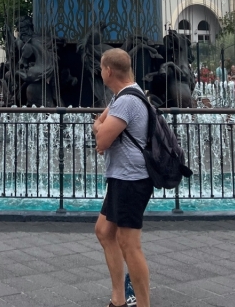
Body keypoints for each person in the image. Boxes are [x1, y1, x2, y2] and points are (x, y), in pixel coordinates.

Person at [92, 49, 152, 307]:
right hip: (122, 177)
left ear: (108, 71)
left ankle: (142, 304)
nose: (100, 72)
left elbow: (101, 139)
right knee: (104, 231)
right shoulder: (125, 95)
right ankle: (118, 298)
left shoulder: (126, 101)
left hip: (132, 179)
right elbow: (101, 124)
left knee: (129, 244)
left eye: (101, 68)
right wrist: (100, 127)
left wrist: (98, 129)